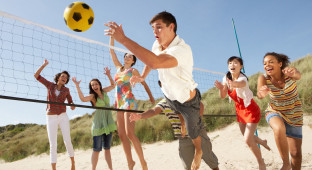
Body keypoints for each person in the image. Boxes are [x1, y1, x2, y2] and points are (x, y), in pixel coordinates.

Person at [105, 11, 204, 170]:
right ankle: (137, 161)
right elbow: (150, 61)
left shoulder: (182, 49)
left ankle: (198, 151)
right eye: (152, 28)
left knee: (194, 132)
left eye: (158, 28)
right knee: (153, 112)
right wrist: (143, 76)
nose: (154, 32)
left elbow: (155, 62)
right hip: (168, 96)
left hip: (186, 100)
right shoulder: (156, 44)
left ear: (171, 27)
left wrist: (123, 39)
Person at [129, 82, 219, 170]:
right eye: (164, 88)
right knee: (188, 166)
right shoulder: (164, 102)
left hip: (198, 133)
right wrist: (141, 116)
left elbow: (200, 105)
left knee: (210, 159)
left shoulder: (184, 96)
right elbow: (153, 110)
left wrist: (197, 120)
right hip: (183, 137)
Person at [214, 56, 270, 170]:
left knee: (247, 140)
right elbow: (223, 96)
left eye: (235, 63)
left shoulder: (243, 78)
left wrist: (233, 84)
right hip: (239, 110)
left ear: (241, 66)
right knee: (246, 137)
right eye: (230, 63)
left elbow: (240, 84)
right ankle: (262, 141)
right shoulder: (226, 78)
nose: (232, 65)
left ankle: (261, 162)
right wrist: (221, 89)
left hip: (251, 110)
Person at [109, 36, 155, 170]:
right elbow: (111, 51)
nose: (127, 57)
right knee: (122, 135)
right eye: (126, 56)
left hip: (129, 101)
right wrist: (112, 37)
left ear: (133, 61)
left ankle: (143, 162)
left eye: (130, 57)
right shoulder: (118, 68)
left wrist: (151, 97)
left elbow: (143, 82)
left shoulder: (132, 71)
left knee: (130, 133)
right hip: (118, 103)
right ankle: (130, 162)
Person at [257, 52, 303, 170]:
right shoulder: (263, 78)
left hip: (294, 114)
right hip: (275, 111)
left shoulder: (289, 72)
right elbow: (260, 94)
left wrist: (295, 73)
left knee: (296, 154)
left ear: (280, 64)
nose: (267, 65)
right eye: (264, 63)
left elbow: (298, 76)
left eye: (271, 62)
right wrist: (262, 92)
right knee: (278, 128)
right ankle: (285, 164)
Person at [72, 67, 117, 170]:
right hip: (98, 124)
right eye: (92, 85)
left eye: (96, 84)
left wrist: (109, 75)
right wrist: (77, 86)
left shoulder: (104, 91)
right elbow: (83, 99)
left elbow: (113, 85)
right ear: (91, 87)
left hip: (108, 122)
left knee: (107, 149)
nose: (94, 86)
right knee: (96, 149)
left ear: (99, 84)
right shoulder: (92, 96)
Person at [34, 59, 75, 170]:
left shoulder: (66, 90)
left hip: (62, 115)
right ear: (58, 77)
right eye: (62, 76)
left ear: (66, 81)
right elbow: (36, 75)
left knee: (67, 140)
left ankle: (73, 163)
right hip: (51, 115)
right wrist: (44, 64)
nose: (64, 78)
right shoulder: (50, 85)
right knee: (53, 144)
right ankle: (54, 168)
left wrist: (72, 105)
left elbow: (70, 101)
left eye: (66, 77)